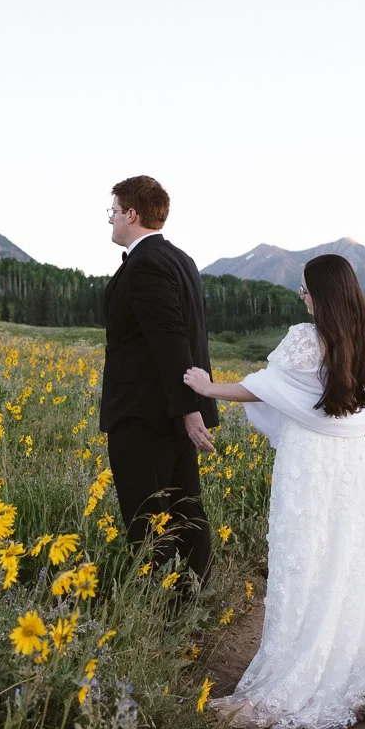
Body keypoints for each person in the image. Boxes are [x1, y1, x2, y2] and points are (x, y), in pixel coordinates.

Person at [181, 253, 365, 729]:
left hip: (308, 462)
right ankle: (349, 665)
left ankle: (295, 670)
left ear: (323, 296)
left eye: (305, 291)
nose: (303, 300)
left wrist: (207, 388)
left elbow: (262, 389)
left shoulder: (304, 339)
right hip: (349, 465)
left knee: (303, 558)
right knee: (345, 558)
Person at [100, 175, 218, 604]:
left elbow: (171, 340)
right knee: (186, 509)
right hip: (171, 411)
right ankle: (192, 601)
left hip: (145, 416)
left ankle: (161, 610)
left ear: (131, 214)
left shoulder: (146, 264)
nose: (110, 219)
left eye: (114, 211)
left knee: (146, 517)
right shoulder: (180, 258)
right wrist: (190, 409)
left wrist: (189, 409)